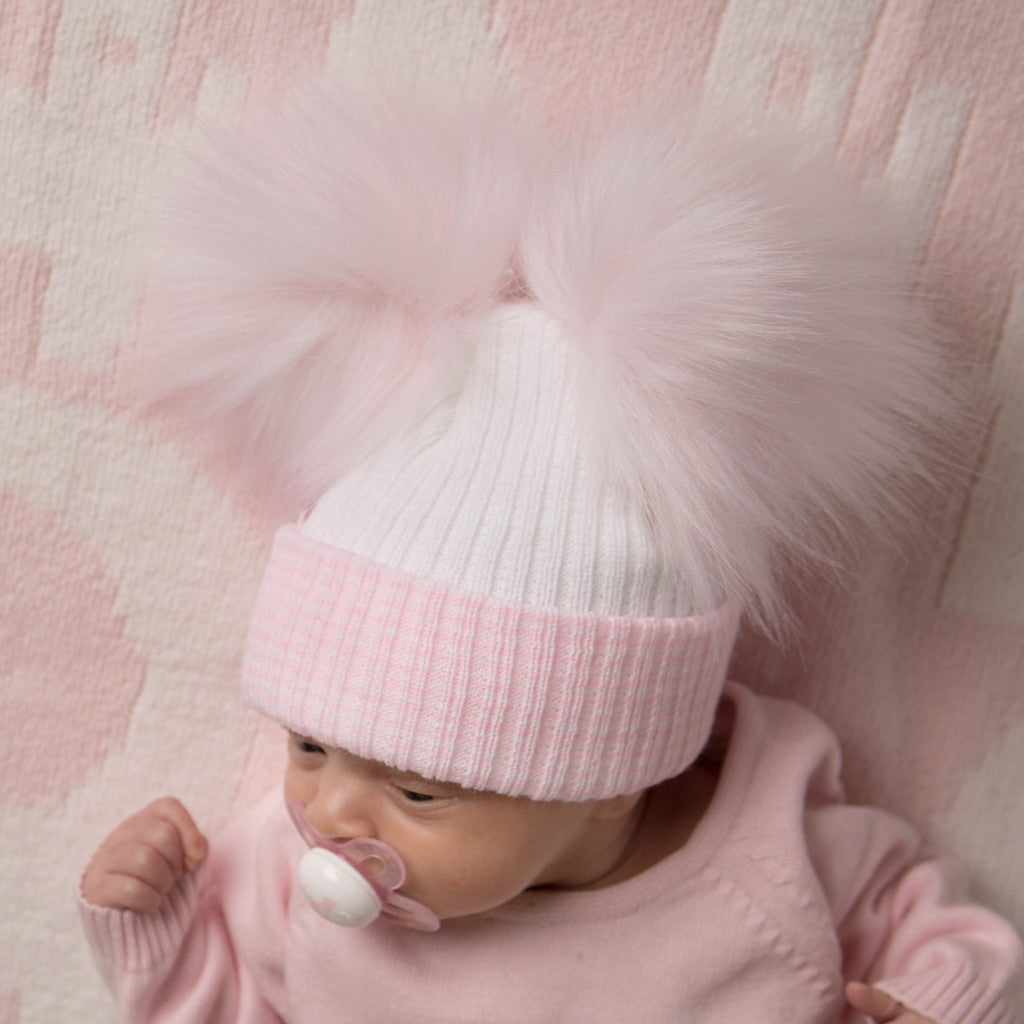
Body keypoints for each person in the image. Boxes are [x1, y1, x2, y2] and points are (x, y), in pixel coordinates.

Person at [78, 72, 1022, 1023]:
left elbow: (926, 918)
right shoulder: (290, 873)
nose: (331, 813)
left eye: (415, 791)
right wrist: (162, 933)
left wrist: (936, 998)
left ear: (607, 780)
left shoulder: (768, 856)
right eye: (310, 744)